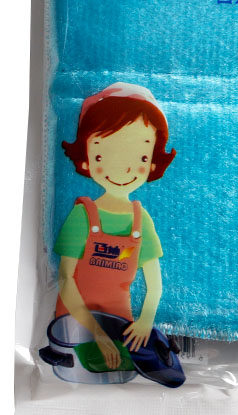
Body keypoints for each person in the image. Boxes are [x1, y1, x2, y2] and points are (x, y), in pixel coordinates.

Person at [55, 82, 177, 371]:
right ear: (86, 159)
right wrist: (96, 334)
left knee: (123, 372)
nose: (123, 169)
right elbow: (65, 279)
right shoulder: (82, 215)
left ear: (152, 163)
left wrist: (145, 321)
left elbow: (154, 285)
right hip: (73, 324)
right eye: (102, 155)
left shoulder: (141, 220)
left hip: (123, 326)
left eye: (141, 157)